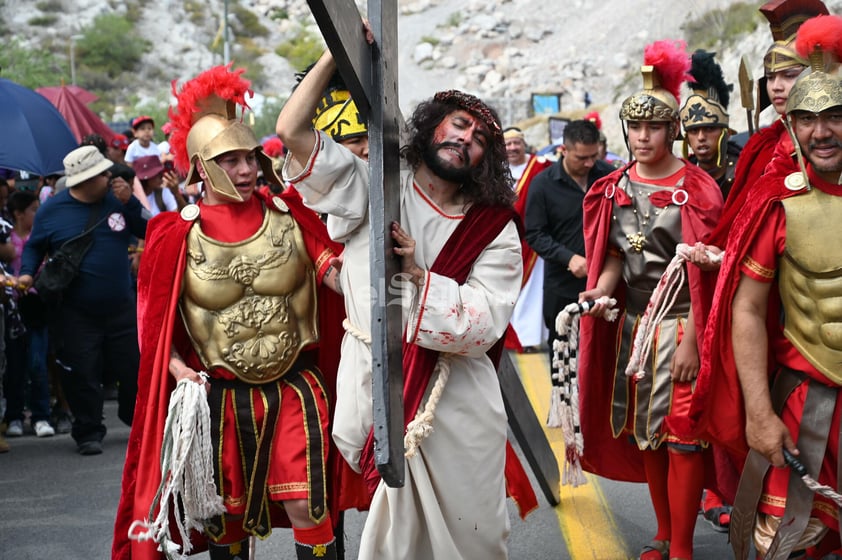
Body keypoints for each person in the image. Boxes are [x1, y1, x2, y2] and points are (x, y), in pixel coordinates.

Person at [277, 46, 534, 558]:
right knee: (395, 542)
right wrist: (337, 53)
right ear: (432, 126)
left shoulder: (494, 229)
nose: (466, 139)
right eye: (458, 124)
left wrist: (420, 276)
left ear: (488, 160)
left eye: (481, 138)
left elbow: (484, 324)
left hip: (456, 401)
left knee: (475, 537)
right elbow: (291, 132)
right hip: (377, 379)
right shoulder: (373, 183)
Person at [112, 64, 361, 560]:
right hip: (219, 400)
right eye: (231, 160)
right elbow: (154, 331)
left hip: (295, 389)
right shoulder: (173, 234)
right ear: (201, 166)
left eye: (249, 157)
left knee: (311, 510)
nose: (247, 170)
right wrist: (180, 372)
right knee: (225, 524)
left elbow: (341, 279)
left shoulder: (292, 215)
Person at [689, 14, 842, 560]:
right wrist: (758, 411)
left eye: (835, 116)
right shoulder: (777, 201)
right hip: (806, 399)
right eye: (807, 119)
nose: (821, 131)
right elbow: (747, 310)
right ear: (792, 123)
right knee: (795, 544)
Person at [577, 40, 723, 560]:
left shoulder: (699, 188)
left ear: (672, 130)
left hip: (683, 327)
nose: (642, 137)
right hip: (633, 331)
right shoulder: (612, 187)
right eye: (635, 127)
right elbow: (616, 256)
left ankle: (682, 547)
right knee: (649, 437)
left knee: (683, 437)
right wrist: (599, 289)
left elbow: (710, 277)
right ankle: (663, 535)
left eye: (654, 127)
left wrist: (696, 343)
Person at [17, 145, 145, 455]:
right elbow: (34, 246)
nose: (110, 177)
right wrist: (26, 273)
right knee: (82, 372)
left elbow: (148, 229)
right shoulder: (52, 210)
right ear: (87, 180)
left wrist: (130, 203)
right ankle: (88, 430)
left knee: (134, 369)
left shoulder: (119, 201)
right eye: (103, 173)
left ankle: (135, 418)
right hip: (75, 312)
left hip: (121, 307)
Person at [708, 0, 828, 249]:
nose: (776, 87)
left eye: (789, 75)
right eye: (771, 77)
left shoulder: (831, 141)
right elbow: (737, 222)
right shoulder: (763, 145)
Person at [524, 119, 613, 397]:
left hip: (605, 282)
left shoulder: (608, 176)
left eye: (593, 156)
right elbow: (535, 234)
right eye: (581, 158)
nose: (589, 164)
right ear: (564, 150)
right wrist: (568, 258)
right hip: (562, 285)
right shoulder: (542, 185)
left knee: (602, 350)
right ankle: (564, 405)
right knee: (563, 347)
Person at [2, 191, 54, 439]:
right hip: (12, 308)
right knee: (15, 364)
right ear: (18, 214)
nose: (38, 212)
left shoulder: (41, 238)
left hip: (37, 305)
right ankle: (14, 416)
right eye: (33, 209)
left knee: (37, 362)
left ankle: (41, 415)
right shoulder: (7, 239)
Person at [503, 126, 551, 353]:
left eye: (516, 143)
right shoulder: (496, 170)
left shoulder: (540, 166)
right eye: (508, 144)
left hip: (534, 239)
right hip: (503, 239)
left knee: (532, 290)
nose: (512, 148)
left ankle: (529, 338)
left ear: (524, 144)